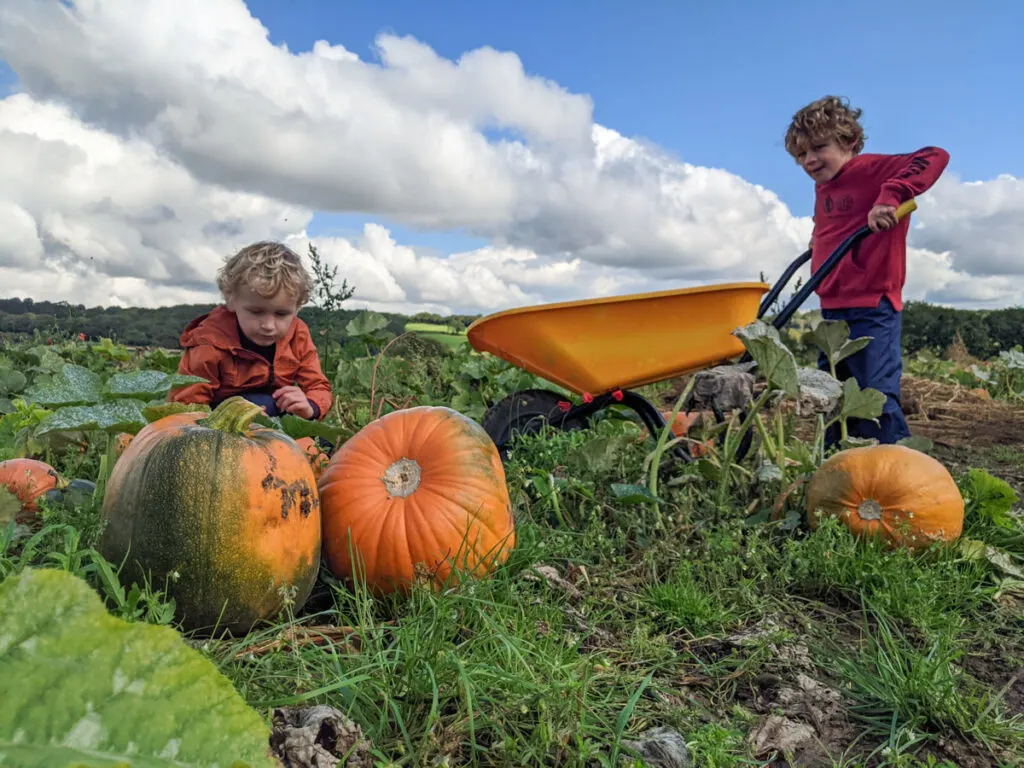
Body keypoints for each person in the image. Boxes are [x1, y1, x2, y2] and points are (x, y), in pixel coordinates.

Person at [784, 95, 949, 448]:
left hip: (873, 304)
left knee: (874, 394)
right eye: (801, 155)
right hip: (831, 306)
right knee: (834, 394)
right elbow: (832, 219)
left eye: (818, 147)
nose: (810, 159)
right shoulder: (823, 186)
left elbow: (935, 156)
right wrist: (817, 237)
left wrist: (891, 197)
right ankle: (838, 466)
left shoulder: (872, 170)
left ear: (849, 143)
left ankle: (895, 472)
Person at [169, 241, 333, 421]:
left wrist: (311, 407)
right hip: (218, 421)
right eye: (256, 312)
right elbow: (187, 405)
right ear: (231, 300)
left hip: (273, 412)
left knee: (323, 442)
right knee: (259, 402)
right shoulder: (209, 343)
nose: (268, 325)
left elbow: (318, 386)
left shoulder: (297, 335)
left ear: (297, 308)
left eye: (281, 314)